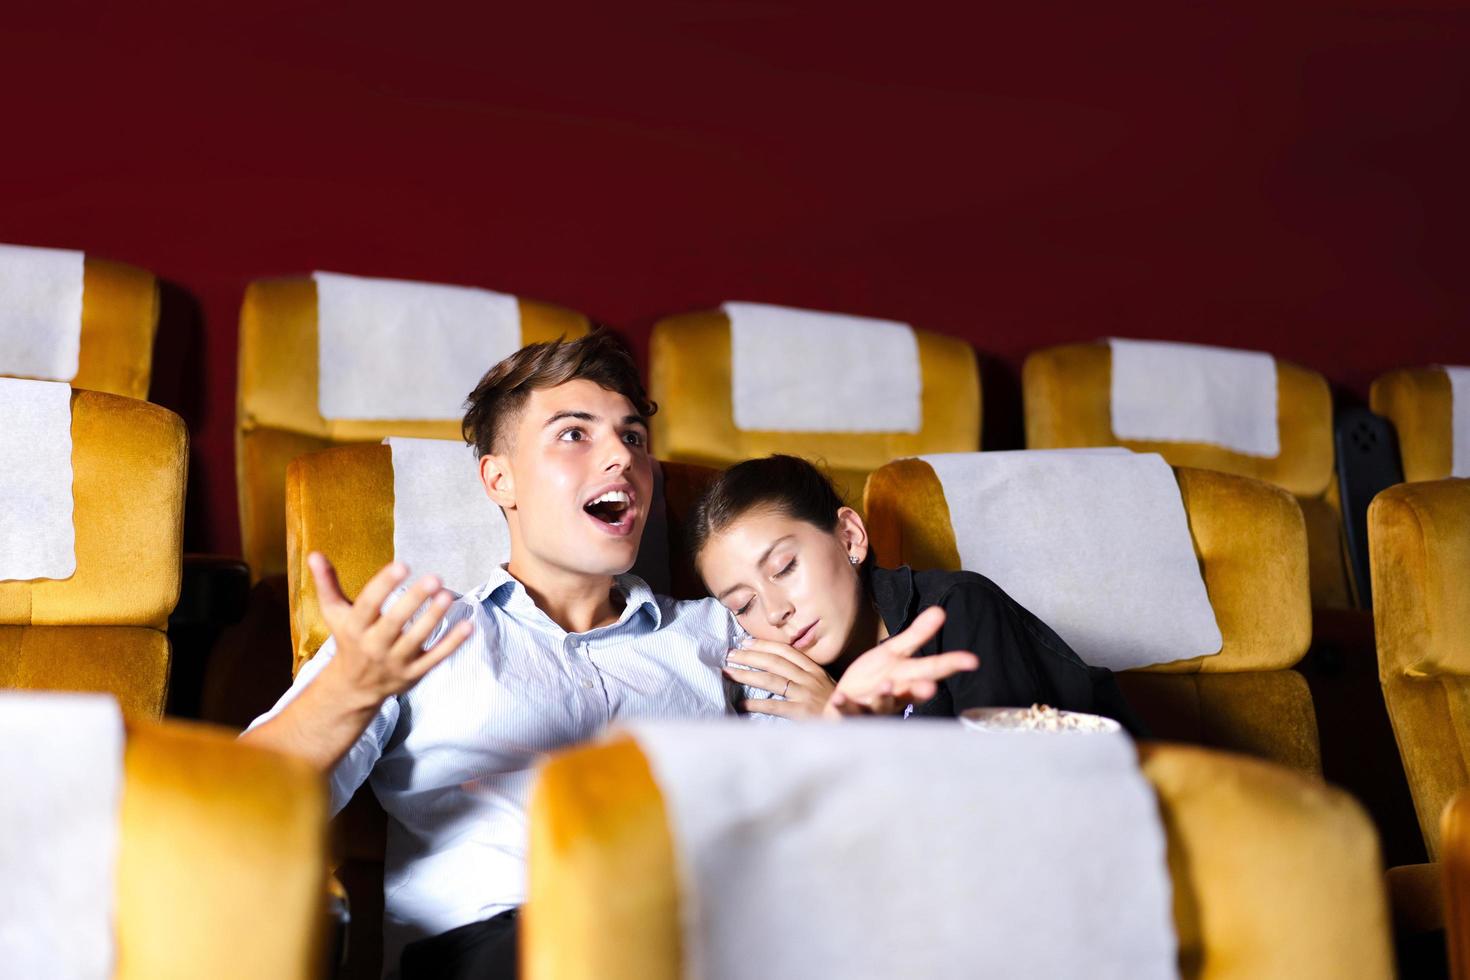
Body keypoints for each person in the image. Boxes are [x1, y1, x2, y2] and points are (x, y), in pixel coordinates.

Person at [240, 331, 977, 979]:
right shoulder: (411, 638)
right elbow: (239, 802)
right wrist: (350, 689)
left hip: (713, 931)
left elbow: (827, 825)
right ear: (499, 479)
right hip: (502, 943)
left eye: (633, 437)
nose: (621, 457)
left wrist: (848, 731)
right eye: (574, 434)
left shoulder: (720, 636)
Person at [689, 454, 1145, 732]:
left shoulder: (961, 608)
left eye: (785, 567)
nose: (776, 612)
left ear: (850, 536)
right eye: (743, 604)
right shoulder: (791, 688)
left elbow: (1008, 797)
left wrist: (845, 727)